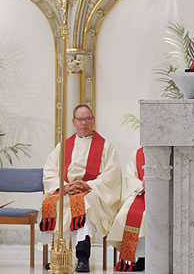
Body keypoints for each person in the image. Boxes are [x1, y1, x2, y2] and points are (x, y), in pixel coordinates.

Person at [40, 104, 122, 273]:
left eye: (87, 119)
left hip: (92, 191)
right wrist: (64, 187)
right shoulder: (63, 146)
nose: (84, 123)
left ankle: (82, 257)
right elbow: (49, 171)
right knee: (52, 203)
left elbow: (111, 176)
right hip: (66, 190)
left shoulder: (106, 147)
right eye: (80, 119)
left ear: (93, 121)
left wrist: (88, 185)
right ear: (73, 121)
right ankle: (57, 256)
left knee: (85, 204)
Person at [107, 147, 146, 272]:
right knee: (126, 214)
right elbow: (131, 177)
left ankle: (154, 256)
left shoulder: (170, 151)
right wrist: (142, 185)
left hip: (162, 194)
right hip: (141, 192)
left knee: (147, 216)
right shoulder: (137, 153)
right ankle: (140, 258)